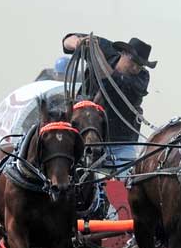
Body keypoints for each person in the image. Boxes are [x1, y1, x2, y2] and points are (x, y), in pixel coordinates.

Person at [61, 34, 156, 172]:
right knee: (74, 175)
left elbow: (109, 82)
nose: (136, 67)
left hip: (120, 143)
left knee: (122, 182)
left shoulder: (142, 78)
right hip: (85, 136)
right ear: (123, 53)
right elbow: (67, 41)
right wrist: (78, 43)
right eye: (133, 61)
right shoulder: (106, 48)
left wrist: (96, 54)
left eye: (140, 65)